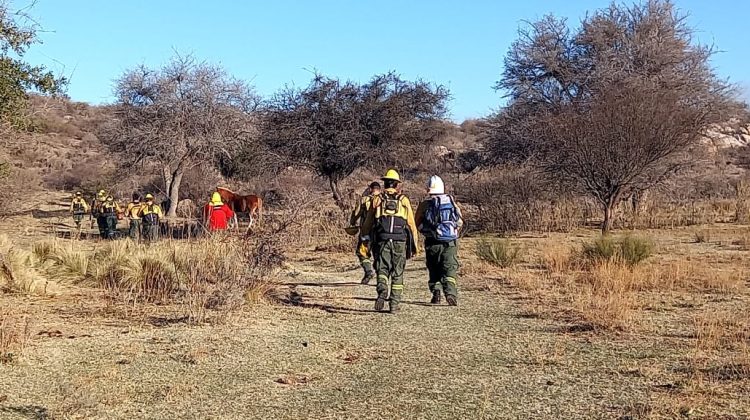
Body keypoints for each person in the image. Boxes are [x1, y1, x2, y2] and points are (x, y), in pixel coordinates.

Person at [361, 169, 419, 313]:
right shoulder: (404, 200)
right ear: (397, 184)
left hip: (382, 240)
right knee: (398, 272)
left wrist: (364, 237)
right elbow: (411, 224)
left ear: (385, 183)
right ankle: (394, 304)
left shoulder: (377, 199)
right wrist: (415, 246)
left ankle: (382, 290)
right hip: (400, 241)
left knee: (382, 269)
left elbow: (368, 222)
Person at [416, 175, 464, 306]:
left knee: (433, 267)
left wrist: (427, 232)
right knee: (449, 268)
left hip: (432, 241)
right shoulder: (451, 201)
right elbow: (459, 221)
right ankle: (450, 293)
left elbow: (417, 223)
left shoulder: (425, 204)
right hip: (450, 242)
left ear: (428, 189)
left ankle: (436, 292)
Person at [348, 181, 381, 284]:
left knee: (361, 252)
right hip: (381, 233)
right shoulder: (384, 200)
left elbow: (356, 214)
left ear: (370, 189)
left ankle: (368, 271)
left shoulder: (364, 200)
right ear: (379, 190)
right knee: (378, 255)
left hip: (366, 232)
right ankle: (381, 278)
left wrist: (352, 222)